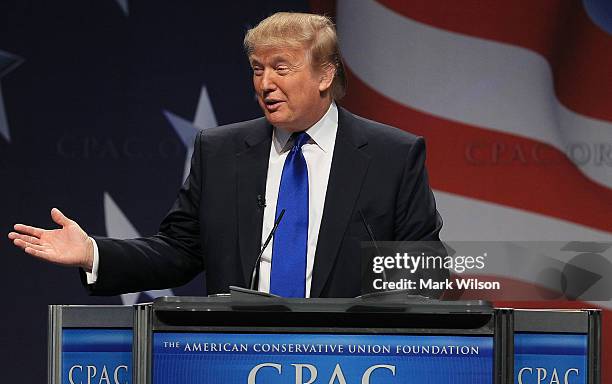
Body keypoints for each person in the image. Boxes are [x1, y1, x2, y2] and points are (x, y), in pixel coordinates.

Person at [8, 12, 442, 298]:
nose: (265, 83)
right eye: (257, 68)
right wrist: (93, 253)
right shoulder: (220, 152)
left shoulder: (391, 156)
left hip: (353, 362)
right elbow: (178, 252)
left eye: (281, 67)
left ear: (325, 74)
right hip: (236, 359)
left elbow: (426, 269)